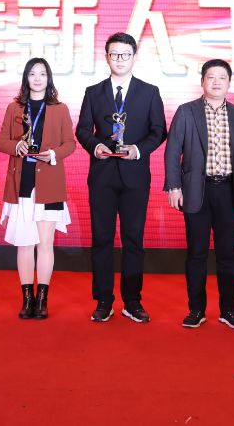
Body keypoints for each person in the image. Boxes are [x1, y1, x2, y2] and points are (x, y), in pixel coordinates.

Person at [76, 32, 167, 323]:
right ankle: (103, 300)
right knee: (101, 239)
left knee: (133, 239)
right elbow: (82, 130)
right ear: (106, 57)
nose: (120, 59)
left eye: (125, 54)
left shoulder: (149, 92)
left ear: (134, 57)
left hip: (135, 177)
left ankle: (133, 301)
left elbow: (159, 131)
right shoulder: (93, 92)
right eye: (114, 54)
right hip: (102, 175)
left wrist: (137, 150)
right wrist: (95, 146)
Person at [164, 59, 234, 329]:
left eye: (222, 77)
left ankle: (229, 310)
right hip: (197, 191)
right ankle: (196, 310)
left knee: (227, 254)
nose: (216, 82)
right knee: (196, 253)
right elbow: (172, 152)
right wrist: (174, 187)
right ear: (202, 81)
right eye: (211, 77)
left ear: (229, 83)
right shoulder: (186, 111)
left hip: (229, 191)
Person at [0, 58, 76, 319]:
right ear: (26, 78)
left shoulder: (60, 109)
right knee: (24, 244)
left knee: (45, 244)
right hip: (22, 184)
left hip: (49, 184)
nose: (38, 78)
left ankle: (42, 299)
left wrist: (52, 154)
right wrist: (15, 146)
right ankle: (27, 298)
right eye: (32, 74)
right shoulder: (14, 108)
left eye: (42, 74)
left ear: (49, 78)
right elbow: (0, 141)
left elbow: (70, 143)